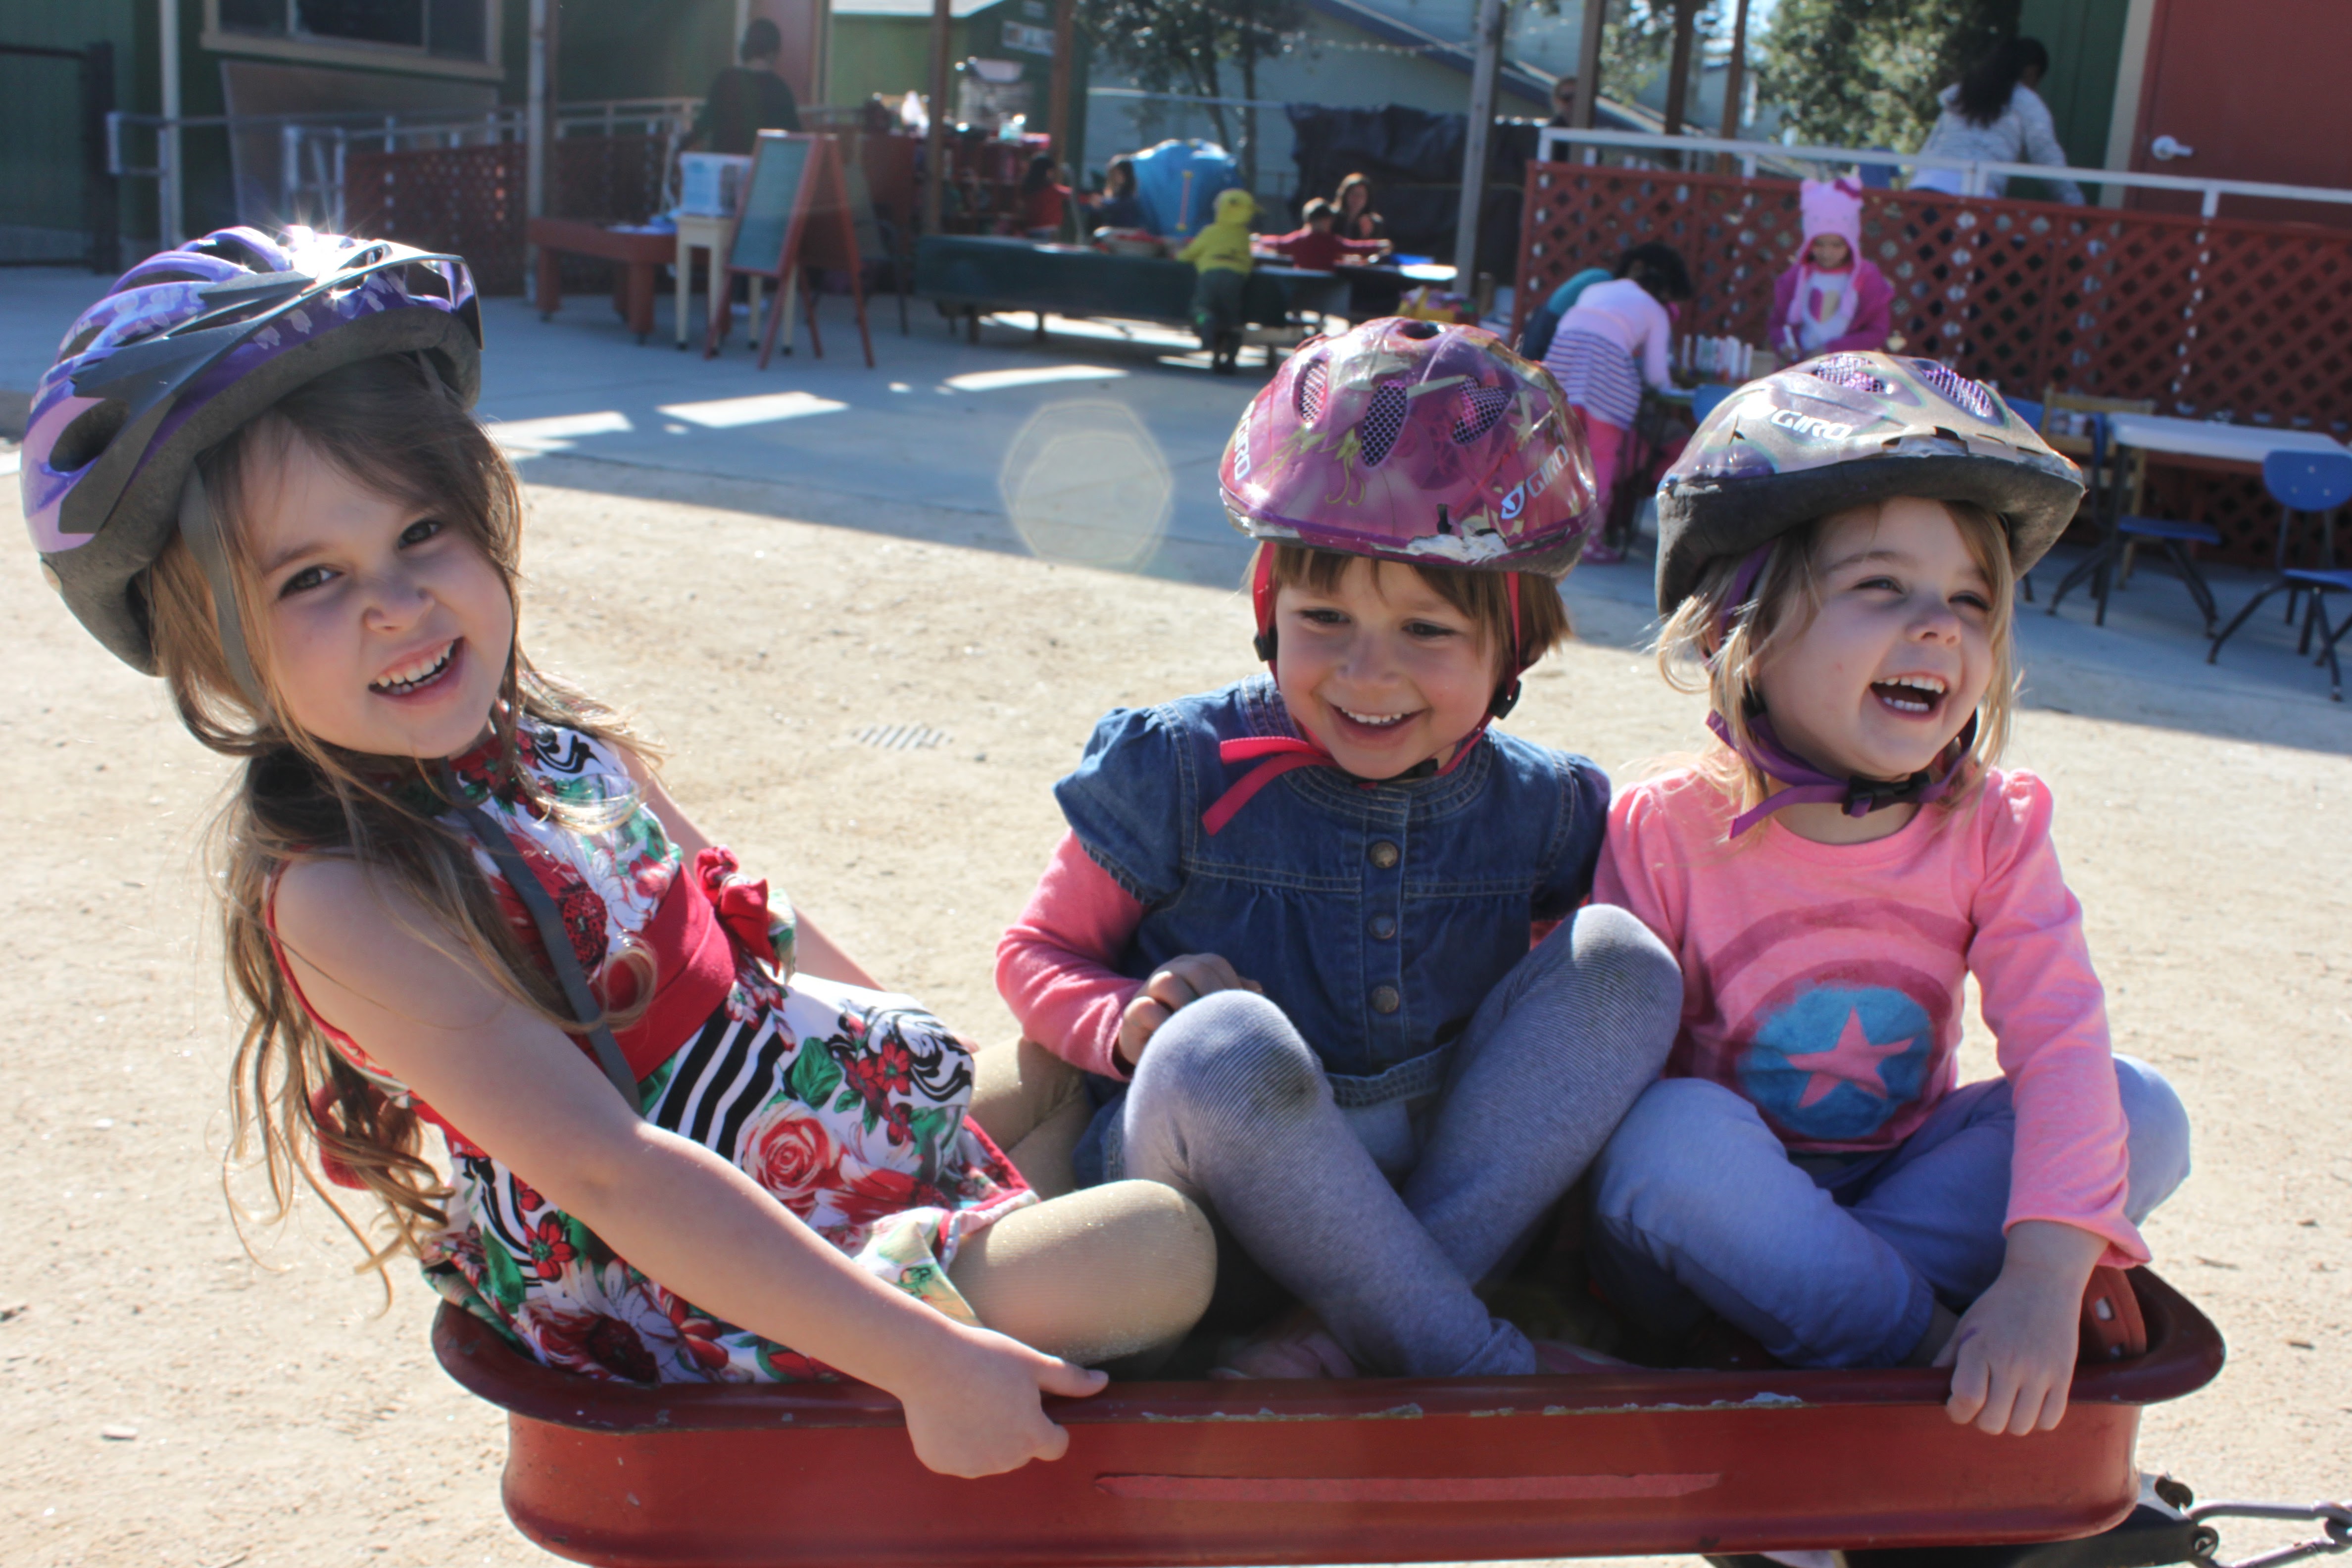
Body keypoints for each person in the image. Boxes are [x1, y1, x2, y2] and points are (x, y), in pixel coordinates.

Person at [18, 226, 1216, 1476]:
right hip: (681, 1260)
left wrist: (897, 1056)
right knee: (1158, 1246)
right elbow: (611, 1167)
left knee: (1055, 1071)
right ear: (213, 642)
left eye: (422, 529)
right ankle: (1023, 1308)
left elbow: (746, 915)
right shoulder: (344, 893)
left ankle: (1004, 1240)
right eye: (313, 575)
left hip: (778, 1122)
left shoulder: (540, 741)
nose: (397, 599)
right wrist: (925, 1361)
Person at [994, 318, 1684, 1381]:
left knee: (1625, 966)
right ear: (1270, 615)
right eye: (1325, 619)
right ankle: (1476, 1367)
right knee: (1224, 1043)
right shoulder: (1180, 768)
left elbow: (1555, 1058)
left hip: (1426, 1213)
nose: (1368, 676)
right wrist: (1123, 1026)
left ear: (1514, 649)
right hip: (1201, 1209)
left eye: (1427, 632)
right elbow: (1036, 952)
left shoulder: (1548, 808)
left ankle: (1328, 1343)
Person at [1588, 353, 2190, 1427]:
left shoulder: (1993, 826)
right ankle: (1918, 1355)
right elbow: (1604, 1099)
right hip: (1717, 1234)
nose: (1940, 627)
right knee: (1668, 1132)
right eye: (1881, 587)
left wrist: (2045, 1288)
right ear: (1742, 632)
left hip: (1899, 1191)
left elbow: (2057, 1042)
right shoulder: (1664, 828)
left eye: (1971, 599)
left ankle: (1801, 1347)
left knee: (2141, 1105)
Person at [1539, 241, 1692, 562]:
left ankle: (1545, 531)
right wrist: (1674, 388)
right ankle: (1590, 540)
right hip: (1609, 374)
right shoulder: (1654, 310)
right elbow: (1656, 375)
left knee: (1559, 452)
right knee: (1602, 460)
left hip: (1563, 363)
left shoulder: (1596, 290)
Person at [1910, 37, 2083, 204]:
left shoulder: (1962, 92)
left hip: (1921, 194)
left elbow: (1931, 145)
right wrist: (2077, 206)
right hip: (1971, 202)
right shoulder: (2027, 101)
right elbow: (2047, 157)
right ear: (2032, 72)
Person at [1765, 178, 1894, 364]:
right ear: (1809, 243)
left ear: (1850, 244)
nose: (1827, 253)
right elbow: (1779, 323)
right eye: (1819, 244)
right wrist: (1785, 344)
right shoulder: (1797, 276)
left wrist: (1831, 351)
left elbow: (1876, 332)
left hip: (1846, 373)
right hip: (1799, 370)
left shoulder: (1867, 278)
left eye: (1837, 245)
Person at [687, 18, 802, 155]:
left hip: (726, 167)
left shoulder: (725, 81)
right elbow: (796, 135)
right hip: (764, 168)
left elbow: (704, 125)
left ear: (746, 47)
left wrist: (679, 148)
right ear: (774, 51)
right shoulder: (780, 89)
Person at [1176, 187, 1259, 374]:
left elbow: (1191, 253)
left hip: (1210, 274)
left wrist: (1178, 255)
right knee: (1232, 320)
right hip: (1236, 278)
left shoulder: (1211, 232)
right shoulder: (1244, 236)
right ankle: (1229, 359)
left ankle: (1205, 319)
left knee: (1200, 307)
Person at [1258, 197, 1389, 271]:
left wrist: (1260, 240)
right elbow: (1354, 247)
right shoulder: (1330, 241)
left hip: (1301, 280)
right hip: (1324, 282)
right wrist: (1379, 245)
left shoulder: (1298, 238)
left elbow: (1279, 243)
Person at [1087, 155, 1147, 232]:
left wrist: (1102, 203)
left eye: (1118, 174)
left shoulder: (1131, 200)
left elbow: (1119, 205)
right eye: (1113, 175)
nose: (1114, 178)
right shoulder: (1114, 197)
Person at [1021, 154, 1071, 240]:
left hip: (1029, 231)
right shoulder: (1051, 190)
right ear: (1047, 172)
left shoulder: (1026, 189)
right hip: (1048, 232)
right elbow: (1073, 195)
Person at [1333, 172, 1386, 244]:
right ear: (1345, 195)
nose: (1356, 199)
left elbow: (1375, 250)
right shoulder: (1332, 217)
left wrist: (1366, 235)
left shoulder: (1374, 223)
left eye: (1361, 195)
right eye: (1353, 194)